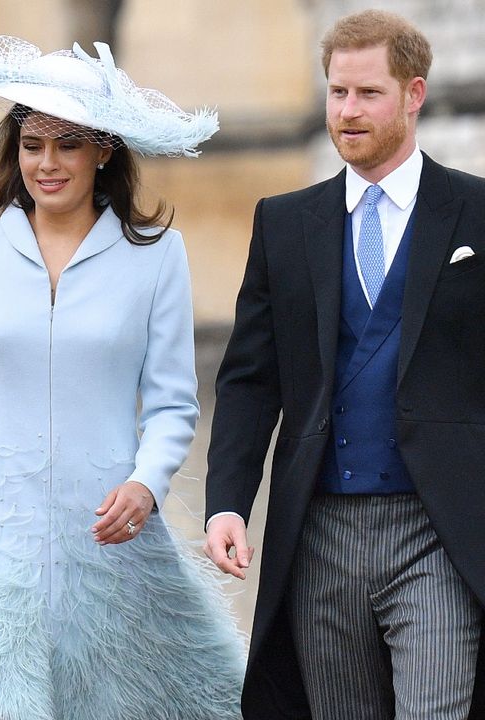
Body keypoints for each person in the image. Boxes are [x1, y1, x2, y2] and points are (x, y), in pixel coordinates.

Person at [0, 36, 244, 718]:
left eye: (68, 144)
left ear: (104, 149)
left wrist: (146, 481)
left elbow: (172, 404)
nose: (46, 163)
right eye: (32, 142)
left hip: (113, 542)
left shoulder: (157, 257)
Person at [205, 10, 485, 718]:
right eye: (337, 93)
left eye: (368, 94)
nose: (347, 112)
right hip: (319, 533)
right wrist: (228, 501)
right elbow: (249, 379)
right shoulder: (284, 221)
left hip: (439, 531)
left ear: (414, 94)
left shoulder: (477, 213)